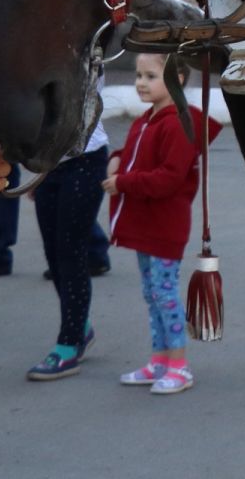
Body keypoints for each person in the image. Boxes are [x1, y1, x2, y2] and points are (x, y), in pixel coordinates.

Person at [105, 53, 218, 395]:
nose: (141, 82)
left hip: (164, 225)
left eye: (150, 76)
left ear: (178, 79)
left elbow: (168, 179)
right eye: (139, 75)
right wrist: (115, 160)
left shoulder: (177, 124)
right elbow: (132, 153)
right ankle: (159, 360)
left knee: (164, 293)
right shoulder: (147, 119)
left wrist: (123, 182)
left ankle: (179, 366)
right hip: (143, 223)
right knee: (152, 293)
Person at [25, 81, 112, 382]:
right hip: (49, 162)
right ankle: (80, 327)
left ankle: (70, 342)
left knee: (71, 253)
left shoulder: (86, 45)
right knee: (53, 254)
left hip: (86, 160)